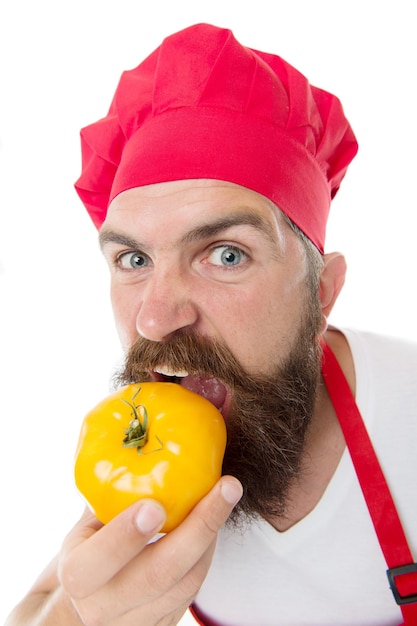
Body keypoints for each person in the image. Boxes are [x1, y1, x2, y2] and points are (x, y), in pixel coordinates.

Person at [6, 22, 417, 626]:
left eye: (226, 253)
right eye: (134, 260)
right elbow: (40, 608)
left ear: (322, 293)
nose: (154, 317)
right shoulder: (139, 466)